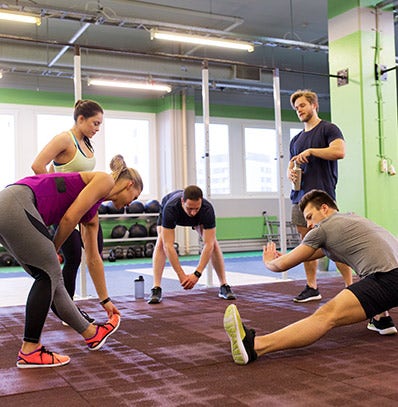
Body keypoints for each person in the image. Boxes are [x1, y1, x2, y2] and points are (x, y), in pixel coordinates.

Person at [224, 189, 398, 365]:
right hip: (390, 275)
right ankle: (381, 320)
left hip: (388, 278)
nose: (308, 224)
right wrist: (283, 256)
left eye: (309, 217)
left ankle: (254, 346)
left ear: (324, 208)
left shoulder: (322, 229)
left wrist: (269, 261)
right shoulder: (353, 218)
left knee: (326, 315)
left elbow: (281, 266)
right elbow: (309, 254)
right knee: (369, 275)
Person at [0, 155, 143, 368]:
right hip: (17, 202)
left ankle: (92, 333)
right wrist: (54, 249)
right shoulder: (105, 180)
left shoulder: (92, 211)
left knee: (51, 281)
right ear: (130, 184)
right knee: (49, 274)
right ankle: (30, 349)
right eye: (135, 195)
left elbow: (94, 259)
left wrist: (105, 301)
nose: (132, 202)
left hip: (11, 206)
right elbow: (69, 219)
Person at [31, 99, 104, 324]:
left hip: (85, 208)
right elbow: (37, 166)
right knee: (73, 258)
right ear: (80, 119)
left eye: (100, 124)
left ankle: (100, 301)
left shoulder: (87, 143)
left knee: (95, 254)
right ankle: (68, 310)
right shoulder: (65, 138)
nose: (97, 129)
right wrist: (53, 195)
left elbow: (59, 169)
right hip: (65, 212)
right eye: (95, 123)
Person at [288, 89, 352, 302]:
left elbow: (339, 152)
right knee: (306, 243)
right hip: (299, 197)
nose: (299, 110)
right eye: (296, 108)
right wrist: (290, 170)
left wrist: (313, 151)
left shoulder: (328, 129)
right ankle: (312, 287)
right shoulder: (296, 139)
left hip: (321, 197)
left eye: (303, 105)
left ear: (314, 105)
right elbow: (293, 163)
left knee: (333, 243)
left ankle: (350, 287)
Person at [147, 185, 236, 304]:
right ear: (182, 201)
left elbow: (208, 245)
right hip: (172, 211)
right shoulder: (171, 208)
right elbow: (168, 246)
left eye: (196, 208)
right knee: (162, 241)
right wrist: (181, 275)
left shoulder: (206, 209)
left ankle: (224, 285)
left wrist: (196, 274)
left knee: (213, 242)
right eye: (190, 208)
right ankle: (156, 288)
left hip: (198, 221)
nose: (193, 212)